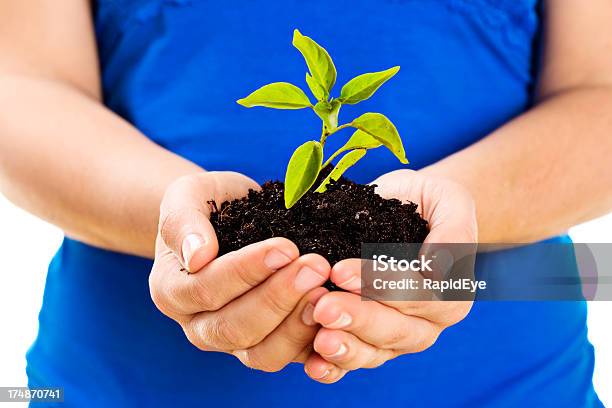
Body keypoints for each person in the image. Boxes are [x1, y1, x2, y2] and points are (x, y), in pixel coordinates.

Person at [0, 0, 610, 406]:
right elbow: (21, 86)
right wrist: (180, 221)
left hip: (515, 379)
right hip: (120, 379)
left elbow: (599, 91)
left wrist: (444, 228)